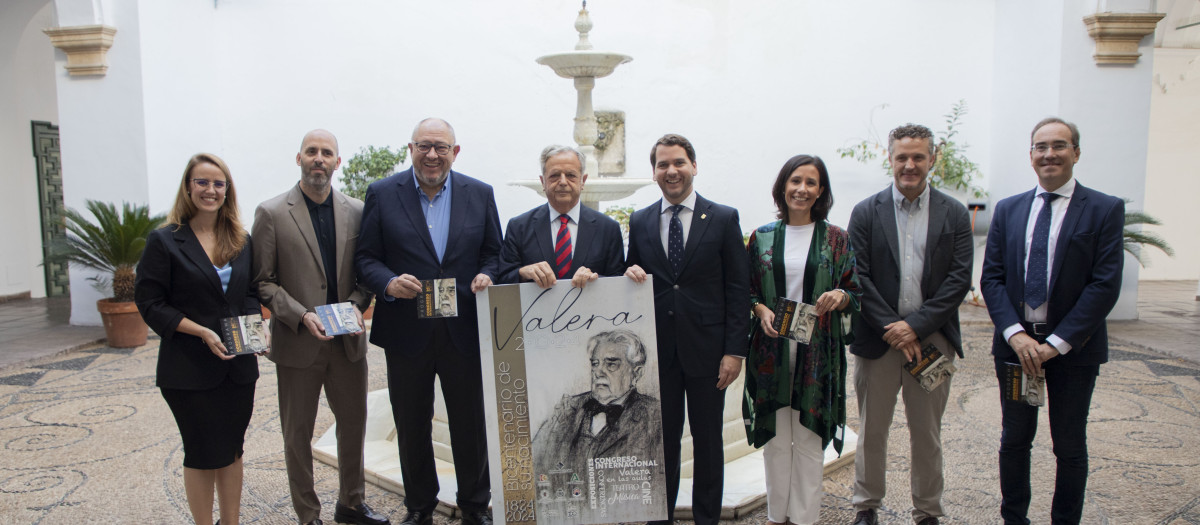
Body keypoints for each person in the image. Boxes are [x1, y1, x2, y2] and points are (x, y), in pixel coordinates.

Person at [355, 118, 501, 525]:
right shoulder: (383, 194)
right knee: (412, 424)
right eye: (424, 146)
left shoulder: (480, 194)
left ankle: (474, 506)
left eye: (441, 147)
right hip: (407, 331)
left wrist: (488, 274)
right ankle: (420, 507)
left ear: (456, 151)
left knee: (470, 424)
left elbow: (495, 252)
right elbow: (366, 258)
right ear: (410, 148)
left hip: (464, 331)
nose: (432, 154)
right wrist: (387, 282)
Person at [980, 117, 1124, 525]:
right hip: (1016, 349)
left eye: (1059, 146)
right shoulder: (1008, 210)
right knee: (1014, 441)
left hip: (1072, 351)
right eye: (1040, 147)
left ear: (1076, 153)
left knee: (1070, 445)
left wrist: (1055, 343)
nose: (1049, 154)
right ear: (1030, 156)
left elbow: (1104, 284)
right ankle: (1014, 519)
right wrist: (1017, 336)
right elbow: (992, 278)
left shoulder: (1104, 209)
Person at [251, 130, 387, 525]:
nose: (319, 159)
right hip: (298, 342)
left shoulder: (358, 211)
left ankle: (351, 504)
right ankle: (308, 515)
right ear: (299, 159)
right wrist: (300, 314)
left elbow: (367, 273)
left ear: (337, 162)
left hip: (347, 343)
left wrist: (357, 306)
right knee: (297, 435)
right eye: (312, 152)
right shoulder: (272, 213)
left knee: (354, 426)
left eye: (327, 153)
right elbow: (263, 280)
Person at [847, 124, 974, 525]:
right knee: (872, 430)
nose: (910, 165)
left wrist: (915, 327)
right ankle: (866, 505)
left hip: (932, 339)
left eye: (918, 156)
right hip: (878, 338)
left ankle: (928, 510)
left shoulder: (953, 212)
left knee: (927, 431)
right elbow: (858, 276)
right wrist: (894, 327)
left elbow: (959, 278)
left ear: (932, 158)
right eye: (902, 156)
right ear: (890, 158)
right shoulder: (867, 211)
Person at [624, 133, 750, 525]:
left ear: (693, 166)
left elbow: (737, 288)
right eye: (663, 164)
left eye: (678, 162)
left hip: (710, 353)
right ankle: (659, 519)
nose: (671, 171)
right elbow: (631, 280)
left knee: (709, 443)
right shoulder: (641, 219)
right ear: (654, 172)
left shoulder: (724, 218)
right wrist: (628, 273)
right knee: (660, 444)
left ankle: (706, 519)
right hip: (658, 354)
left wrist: (734, 351)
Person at [135, 153, 261, 525]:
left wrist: (257, 326)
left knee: (233, 449)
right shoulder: (165, 240)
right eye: (202, 182)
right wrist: (200, 330)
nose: (211, 190)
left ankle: (232, 521)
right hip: (188, 369)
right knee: (203, 451)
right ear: (188, 187)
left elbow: (248, 293)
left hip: (238, 367)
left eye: (218, 183)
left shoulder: (240, 238)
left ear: (227, 190)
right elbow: (150, 302)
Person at [742, 155, 861, 525]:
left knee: (809, 441)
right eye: (796, 181)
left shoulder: (837, 238)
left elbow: (855, 291)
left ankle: (806, 519)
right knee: (776, 442)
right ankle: (778, 517)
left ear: (821, 191)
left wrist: (840, 297)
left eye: (811, 183)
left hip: (818, 353)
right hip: (771, 351)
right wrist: (759, 310)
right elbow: (745, 291)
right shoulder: (761, 236)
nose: (802, 189)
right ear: (783, 186)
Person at [531, 331, 665, 504]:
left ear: (636, 373)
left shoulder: (653, 415)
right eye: (595, 364)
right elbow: (535, 462)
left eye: (611, 365)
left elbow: (656, 485)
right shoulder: (567, 408)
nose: (598, 372)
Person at [498, 145, 624, 287]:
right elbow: (502, 278)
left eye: (570, 175)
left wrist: (594, 279)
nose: (563, 182)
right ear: (542, 182)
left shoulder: (608, 229)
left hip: (590, 309)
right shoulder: (519, 227)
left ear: (583, 180)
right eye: (554, 175)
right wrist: (522, 273)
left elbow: (618, 281)